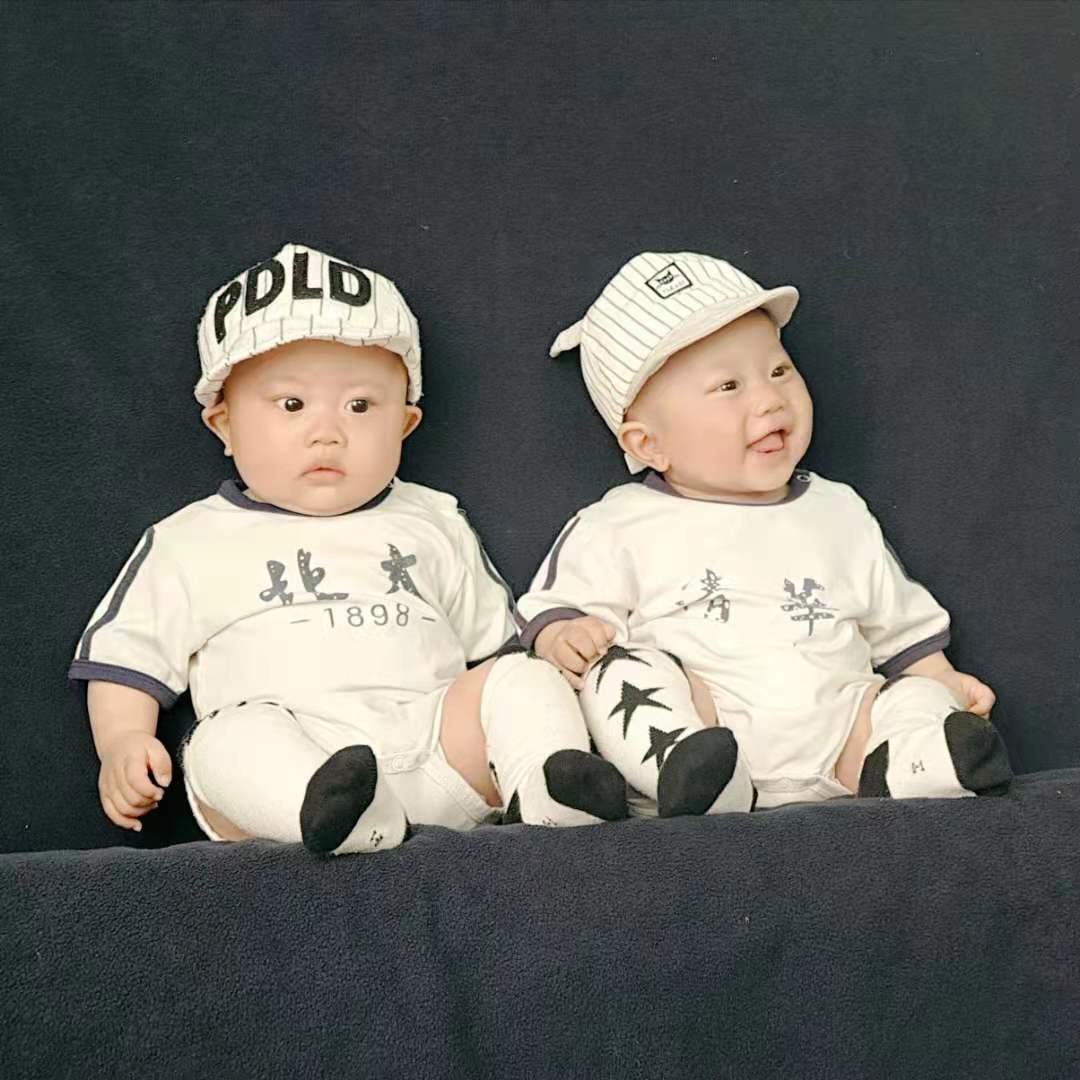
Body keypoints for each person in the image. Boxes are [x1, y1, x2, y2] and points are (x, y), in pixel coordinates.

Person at [70, 243, 626, 855]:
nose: (327, 432)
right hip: (291, 773)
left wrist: (546, 655)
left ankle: (548, 790)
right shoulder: (190, 540)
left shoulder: (432, 519)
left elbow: (495, 644)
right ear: (224, 425)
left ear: (405, 425)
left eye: (360, 406)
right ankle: (347, 816)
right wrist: (123, 742)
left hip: (439, 756)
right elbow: (127, 658)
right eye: (291, 405)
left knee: (520, 677)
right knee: (221, 741)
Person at [518, 251, 1012, 816]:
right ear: (649, 444)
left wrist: (944, 683)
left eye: (779, 371)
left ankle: (909, 763)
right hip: (706, 725)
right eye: (728, 385)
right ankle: (692, 774)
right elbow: (551, 609)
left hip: (843, 739)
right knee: (619, 675)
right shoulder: (618, 524)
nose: (770, 398)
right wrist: (564, 636)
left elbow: (902, 629)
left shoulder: (838, 510)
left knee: (913, 696)